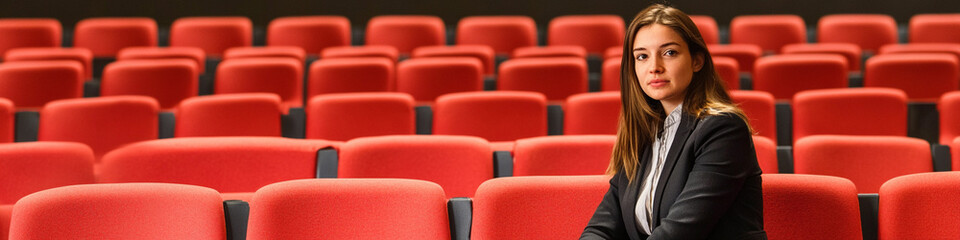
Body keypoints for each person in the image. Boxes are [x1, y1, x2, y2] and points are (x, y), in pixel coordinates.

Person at [580, 4, 766, 240]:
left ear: (697, 61)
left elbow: (680, 232)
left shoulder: (723, 129)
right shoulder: (644, 134)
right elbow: (600, 228)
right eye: (642, 56)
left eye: (669, 53)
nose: (654, 67)